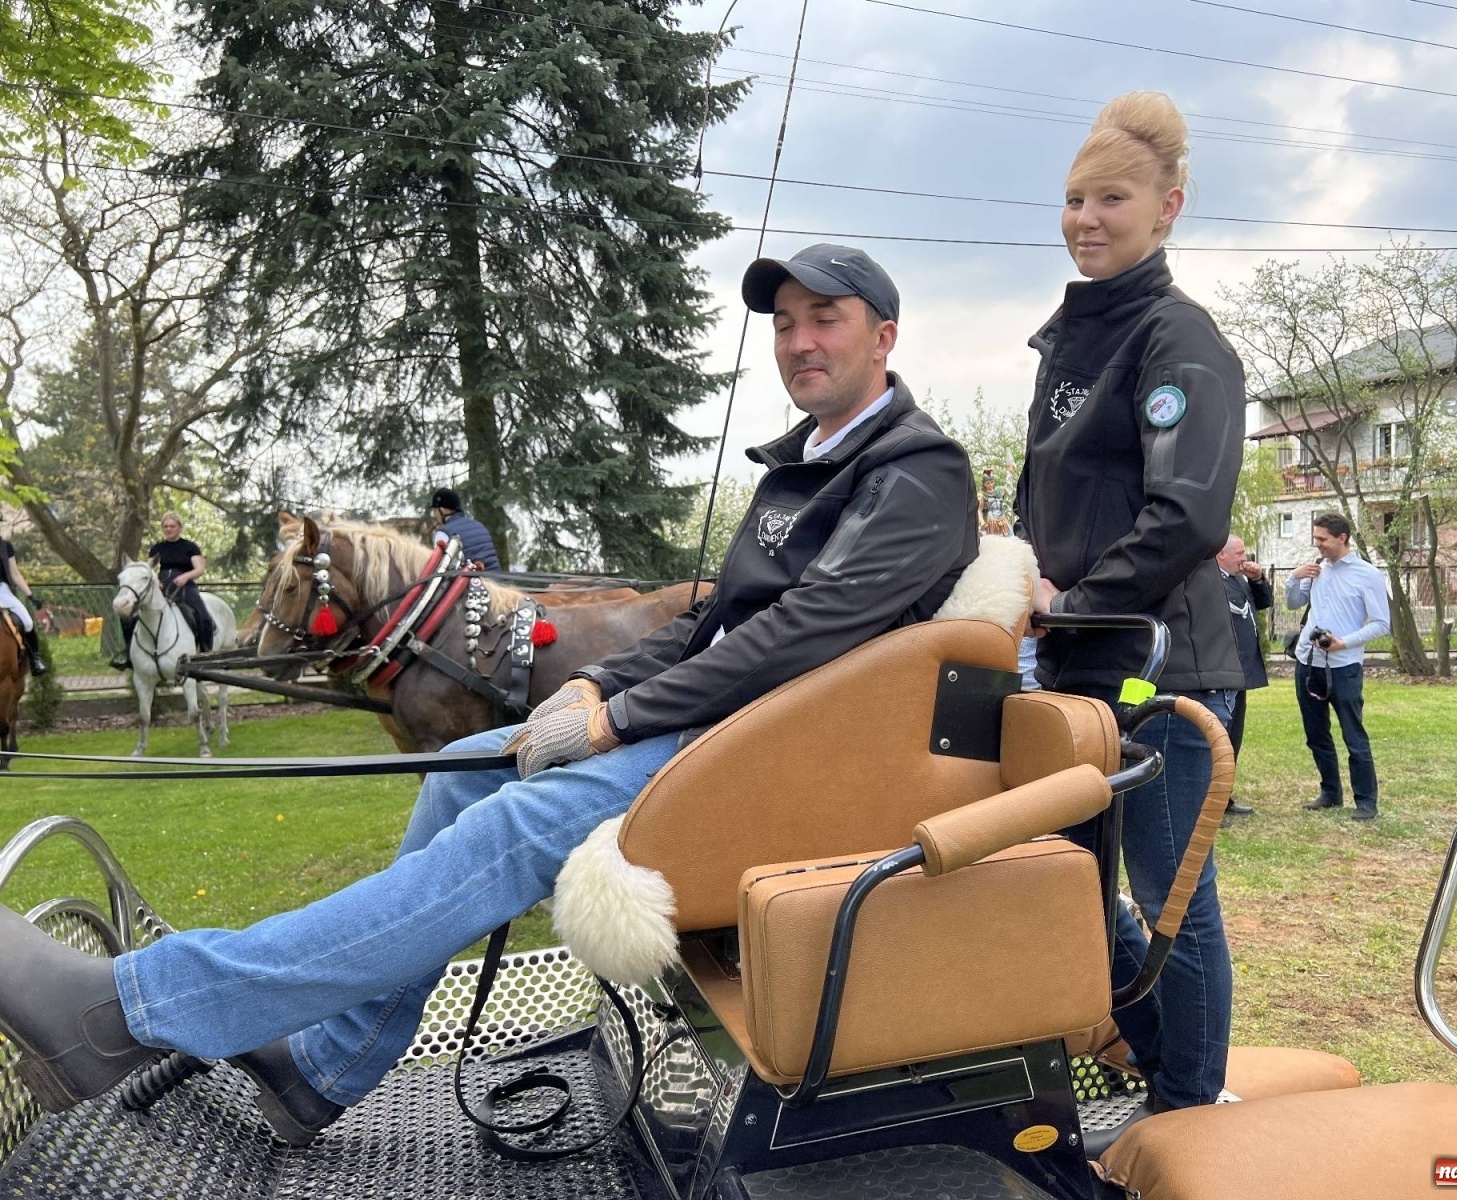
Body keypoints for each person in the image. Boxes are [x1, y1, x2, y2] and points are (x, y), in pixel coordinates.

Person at [0, 242, 978, 1147]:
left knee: (505, 832)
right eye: (784, 322)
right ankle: (331, 1064)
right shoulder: (803, 468)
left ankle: (123, 1013)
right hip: (721, 729)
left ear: (882, 337)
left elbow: (802, 635)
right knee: (470, 766)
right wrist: (593, 680)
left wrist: (618, 716)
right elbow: (712, 622)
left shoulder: (916, 473)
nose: (799, 341)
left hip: (776, 763)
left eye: (827, 319)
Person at [1015, 92, 1244, 1113]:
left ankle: (1191, 1108)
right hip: (1071, 674)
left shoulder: (1178, 340)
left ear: (1168, 209)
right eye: (1072, 199)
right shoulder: (1069, 342)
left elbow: (1186, 516)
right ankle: (1153, 1069)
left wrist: (1064, 604)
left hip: (1165, 673)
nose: (1086, 218)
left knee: (1169, 902)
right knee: (1067, 890)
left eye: (1112, 197)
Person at [1286, 512, 1390, 821]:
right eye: (1315, 538)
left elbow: (1382, 624)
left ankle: (1366, 801)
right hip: (1308, 662)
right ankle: (1330, 793)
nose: (1317, 544)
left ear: (1342, 538)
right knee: (1316, 734)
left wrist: (1343, 642)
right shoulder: (1317, 568)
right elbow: (1293, 603)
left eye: (1322, 539)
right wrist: (1294, 577)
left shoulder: (1367, 574)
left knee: (1353, 734)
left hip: (1343, 666)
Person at [1216, 535, 1272, 823]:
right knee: (1218, 740)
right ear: (1220, 556)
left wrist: (1259, 580)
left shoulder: (1238, 579)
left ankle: (1224, 798)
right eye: (1239, 553)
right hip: (1223, 674)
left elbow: (1263, 604)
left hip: (1241, 675)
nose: (1244, 558)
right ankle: (1210, 805)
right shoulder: (1212, 584)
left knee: (1233, 740)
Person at [110, 514, 214, 669]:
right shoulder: (157, 548)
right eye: (166, 527)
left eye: (172, 526)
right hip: (162, 585)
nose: (169, 529)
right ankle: (129, 655)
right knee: (129, 617)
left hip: (185, 586)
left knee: (204, 617)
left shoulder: (190, 547)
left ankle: (206, 654)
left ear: (179, 527)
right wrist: (156, 582)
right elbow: (148, 570)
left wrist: (185, 576)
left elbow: (199, 569)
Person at [0, 535, 49, 676]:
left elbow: (15, 574)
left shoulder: (5, 546)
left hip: (3, 590)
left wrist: (30, 596)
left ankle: (34, 660)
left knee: (27, 622)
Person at [429, 488, 501, 572]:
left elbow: (438, 568)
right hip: (496, 580)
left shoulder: (443, 533)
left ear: (442, 510)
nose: (434, 514)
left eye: (435, 510)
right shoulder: (479, 525)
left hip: (471, 582)